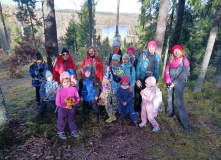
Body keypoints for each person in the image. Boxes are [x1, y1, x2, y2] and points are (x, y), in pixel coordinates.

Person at [164, 45, 190, 132]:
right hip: (170, 83)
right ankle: (170, 113)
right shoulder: (170, 60)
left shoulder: (185, 61)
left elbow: (184, 74)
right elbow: (166, 71)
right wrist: (168, 81)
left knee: (180, 102)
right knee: (169, 99)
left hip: (179, 84)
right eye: (175, 51)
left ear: (181, 51)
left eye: (178, 50)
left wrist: (174, 83)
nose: (176, 52)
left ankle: (185, 123)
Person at [135, 41, 161, 116]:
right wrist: (137, 79)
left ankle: (146, 111)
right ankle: (137, 110)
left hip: (151, 78)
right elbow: (138, 67)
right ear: (148, 48)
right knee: (139, 93)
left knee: (148, 95)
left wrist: (156, 80)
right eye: (150, 47)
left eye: (153, 47)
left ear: (155, 48)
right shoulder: (143, 56)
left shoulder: (157, 57)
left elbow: (157, 70)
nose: (151, 48)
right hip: (142, 76)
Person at [56, 71, 80, 139]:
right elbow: (57, 102)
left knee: (72, 119)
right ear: (61, 83)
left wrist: (74, 103)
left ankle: (73, 130)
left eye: (68, 81)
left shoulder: (74, 89)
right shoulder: (60, 91)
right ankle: (60, 131)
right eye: (64, 82)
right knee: (61, 119)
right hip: (62, 109)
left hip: (72, 108)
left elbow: (77, 98)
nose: (66, 83)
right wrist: (64, 106)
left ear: (70, 81)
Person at [101, 54, 124, 123]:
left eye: (116, 61)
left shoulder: (121, 70)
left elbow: (122, 81)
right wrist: (104, 89)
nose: (114, 62)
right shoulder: (108, 68)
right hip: (108, 89)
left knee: (115, 103)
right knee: (107, 102)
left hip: (116, 90)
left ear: (118, 61)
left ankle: (114, 115)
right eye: (113, 60)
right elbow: (104, 79)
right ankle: (111, 115)